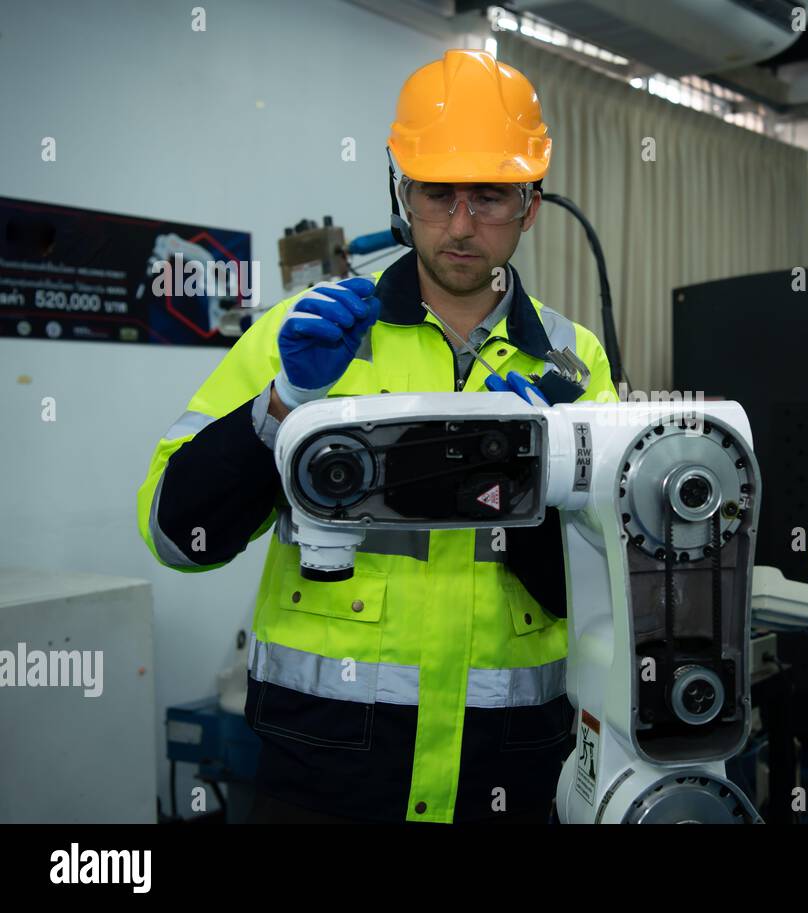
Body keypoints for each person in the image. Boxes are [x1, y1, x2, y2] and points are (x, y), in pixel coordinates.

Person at [137, 49, 617, 823]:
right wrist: (285, 401)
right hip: (324, 766)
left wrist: (534, 472)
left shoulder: (574, 362)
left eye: (491, 196)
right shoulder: (304, 337)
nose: (462, 225)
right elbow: (176, 534)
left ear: (531, 204)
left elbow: (603, 592)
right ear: (400, 191)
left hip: (509, 767)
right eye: (437, 194)